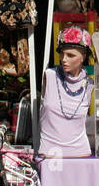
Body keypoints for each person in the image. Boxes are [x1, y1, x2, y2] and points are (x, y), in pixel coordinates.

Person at [38, 26, 93, 158]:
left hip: (80, 153)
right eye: (62, 54)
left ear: (83, 57)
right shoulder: (49, 76)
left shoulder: (90, 85)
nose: (64, 59)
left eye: (70, 55)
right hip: (49, 154)